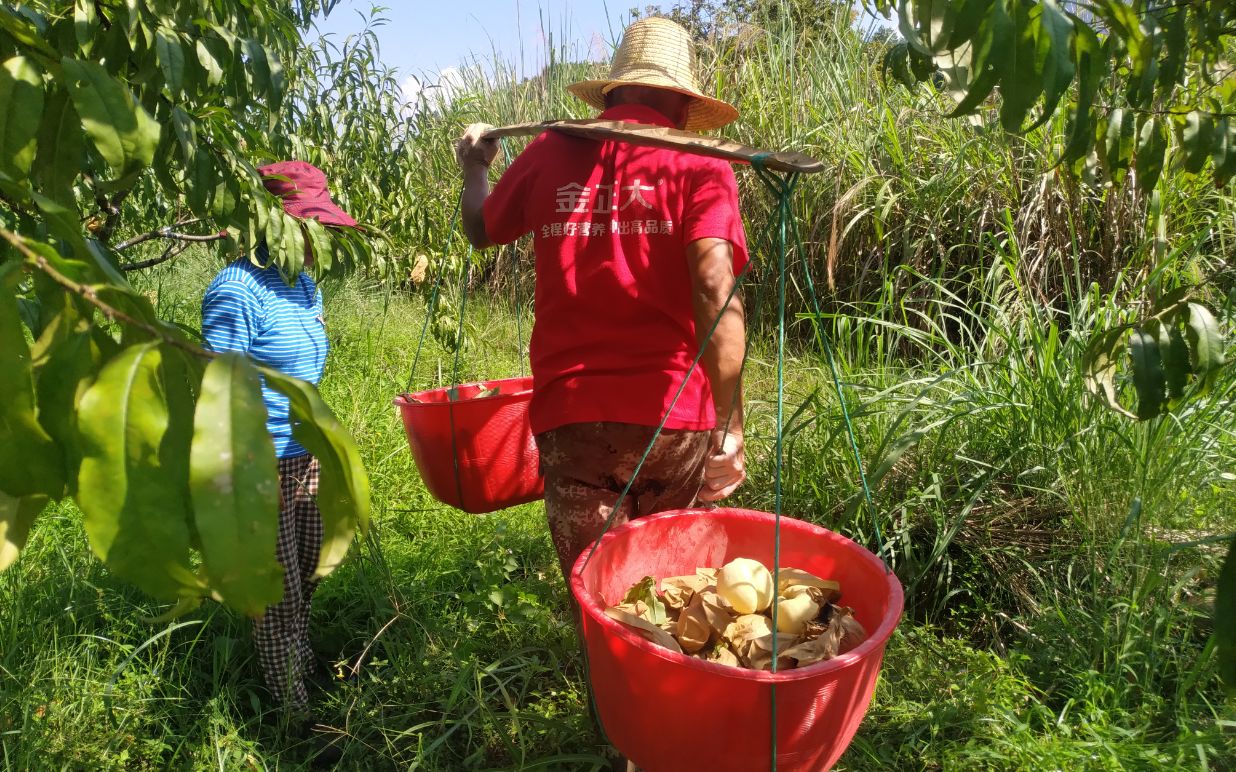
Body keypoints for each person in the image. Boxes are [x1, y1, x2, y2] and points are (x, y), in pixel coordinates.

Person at [455, 16, 749, 590]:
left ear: (613, 91)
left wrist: (474, 170)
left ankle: (601, 672)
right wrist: (730, 422)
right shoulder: (702, 161)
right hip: (674, 416)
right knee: (672, 596)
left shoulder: (553, 149)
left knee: (597, 593)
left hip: (574, 417)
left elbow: (480, 229)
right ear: (685, 104)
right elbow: (716, 286)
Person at [201, 160, 358, 714]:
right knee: (277, 594)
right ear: (278, 225)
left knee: (310, 570)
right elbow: (221, 388)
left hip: (303, 454)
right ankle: (293, 715)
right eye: (314, 225)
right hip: (256, 461)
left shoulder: (304, 283)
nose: (324, 239)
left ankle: (301, 663)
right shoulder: (236, 290)